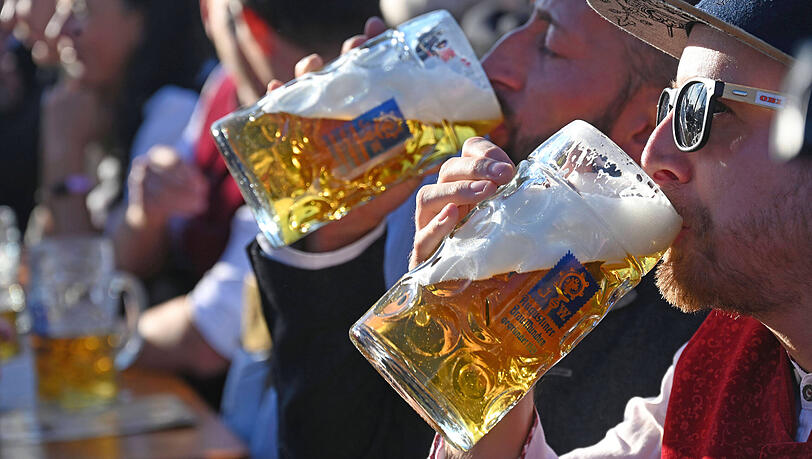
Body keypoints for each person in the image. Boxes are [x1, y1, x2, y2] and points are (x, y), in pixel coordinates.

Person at [246, 1, 706, 456]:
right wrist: (339, 236)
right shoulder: (453, 211)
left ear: (649, 124)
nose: (494, 64)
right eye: (524, 21)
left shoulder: (691, 334)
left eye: (550, 45)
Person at [416, 0, 812, 457]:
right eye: (671, 104)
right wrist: (486, 352)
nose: (654, 153)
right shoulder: (715, 364)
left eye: (704, 109)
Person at [131, 0, 381, 399]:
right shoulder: (227, 89)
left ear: (249, 25)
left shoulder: (331, 140)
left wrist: (85, 336)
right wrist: (152, 210)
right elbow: (150, 241)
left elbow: (204, 338)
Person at [35, 0, 210, 237]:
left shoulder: (176, 111)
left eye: (79, 11)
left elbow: (92, 267)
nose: (56, 31)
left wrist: (63, 151)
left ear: (139, 21)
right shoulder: (97, 109)